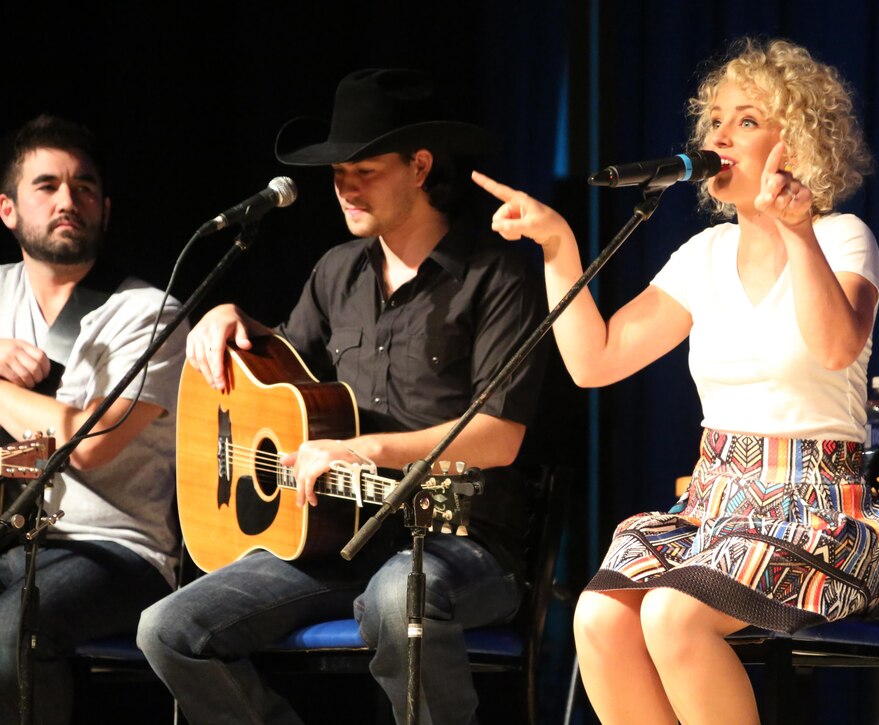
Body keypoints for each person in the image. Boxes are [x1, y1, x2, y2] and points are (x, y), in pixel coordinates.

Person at [474, 38, 879, 724]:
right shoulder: (704, 255)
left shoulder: (841, 237)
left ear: (798, 144)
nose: (719, 135)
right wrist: (558, 246)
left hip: (816, 514)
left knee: (672, 613)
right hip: (715, 507)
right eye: (716, 120)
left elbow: (835, 346)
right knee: (599, 615)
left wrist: (796, 231)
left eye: (747, 121)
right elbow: (596, 360)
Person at [137, 68, 547, 724]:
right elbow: (282, 381)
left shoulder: (495, 275)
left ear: (418, 166)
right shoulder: (337, 272)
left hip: (457, 538)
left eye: (364, 170)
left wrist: (363, 447)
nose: (345, 187)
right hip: (335, 538)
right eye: (337, 174)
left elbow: (499, 435)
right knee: (168, 628)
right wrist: (230, 317)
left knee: (396, 601)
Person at [0, 114, 187, 724]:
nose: (67, 201)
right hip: (12, 536)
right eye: (47, 186)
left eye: (83, 188)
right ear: (8, 211)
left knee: (16, 629)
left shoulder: (148, 313)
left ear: (105, 209)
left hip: (117, 552)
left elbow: (86, 444)